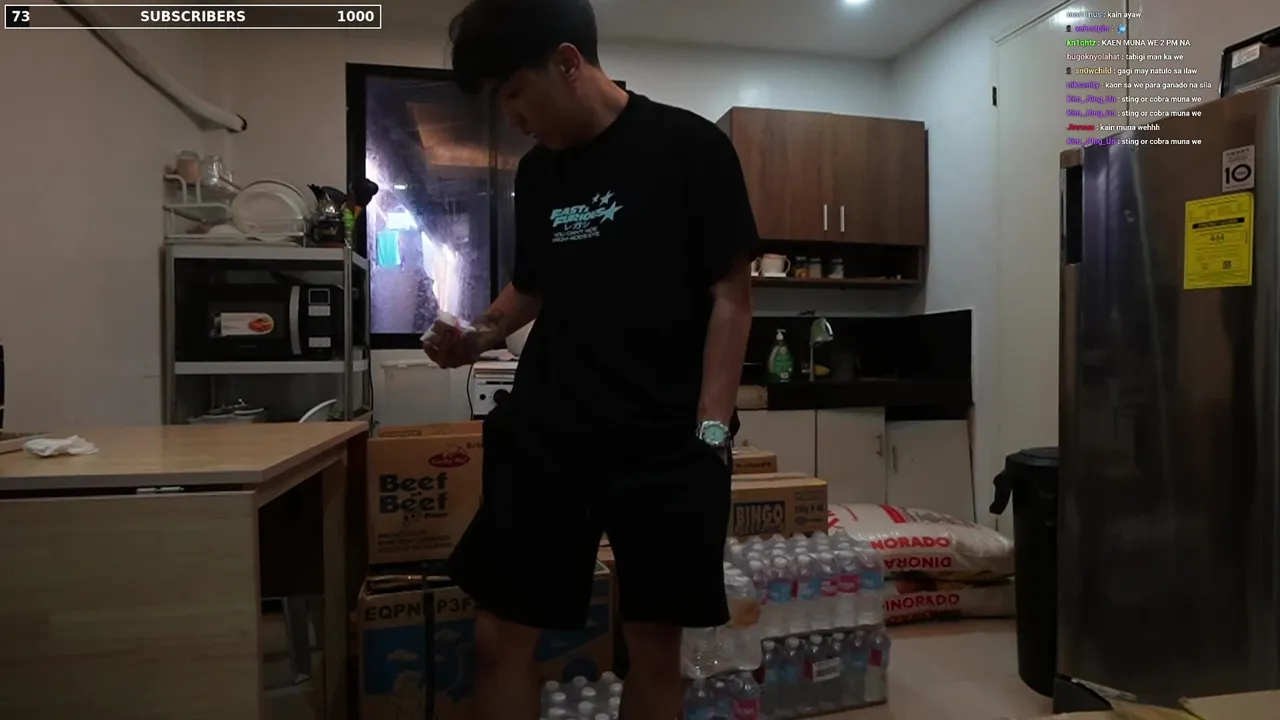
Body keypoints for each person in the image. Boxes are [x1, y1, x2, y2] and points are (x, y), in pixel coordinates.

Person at [423, 0, 757, 717]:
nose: (510, 116)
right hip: (550, 431)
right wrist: (476, 335)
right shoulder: (539, 175)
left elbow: (732, 297)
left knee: (654, 646)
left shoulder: (691, 147)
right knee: (499, 635)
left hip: (666, 440)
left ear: (568, 62)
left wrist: (711, 433)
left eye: (514, 92)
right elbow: (531, 287)